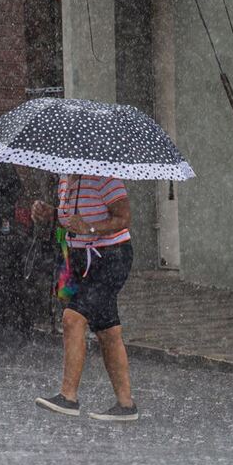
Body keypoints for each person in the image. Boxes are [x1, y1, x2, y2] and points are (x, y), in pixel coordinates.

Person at [31, 174, 138, 421]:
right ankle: (126, 404)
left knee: (72, 318)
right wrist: (50, 214)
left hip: (111, 258)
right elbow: (70, 220)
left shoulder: (105, 178)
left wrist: (91, 228)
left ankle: (68, 396)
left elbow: (124, 219)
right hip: (78, 259)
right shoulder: (65, 179)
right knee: (108, 330)